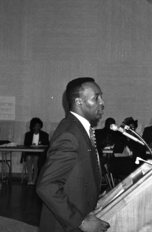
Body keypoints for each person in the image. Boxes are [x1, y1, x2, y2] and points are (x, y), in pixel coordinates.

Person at [36, 77, 110, 232]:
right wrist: (81, 222)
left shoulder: (80, 129)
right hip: (65, 225)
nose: (102, 103)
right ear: (79, 102)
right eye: (96, 98)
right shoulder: (70, 134)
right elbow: (47, 185)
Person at [23, 117, 49, 185]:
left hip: (39, 154)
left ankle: (34, 179)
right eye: (35, 126)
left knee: (36, 159)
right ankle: (30, 178)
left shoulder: (45, 135)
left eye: (38, 126)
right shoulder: (28, 134)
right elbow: (26, 145)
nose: (37, 128)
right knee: (28, 158)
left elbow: (47, 145)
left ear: (40, 127)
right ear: (32, 127)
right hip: (30, 152)